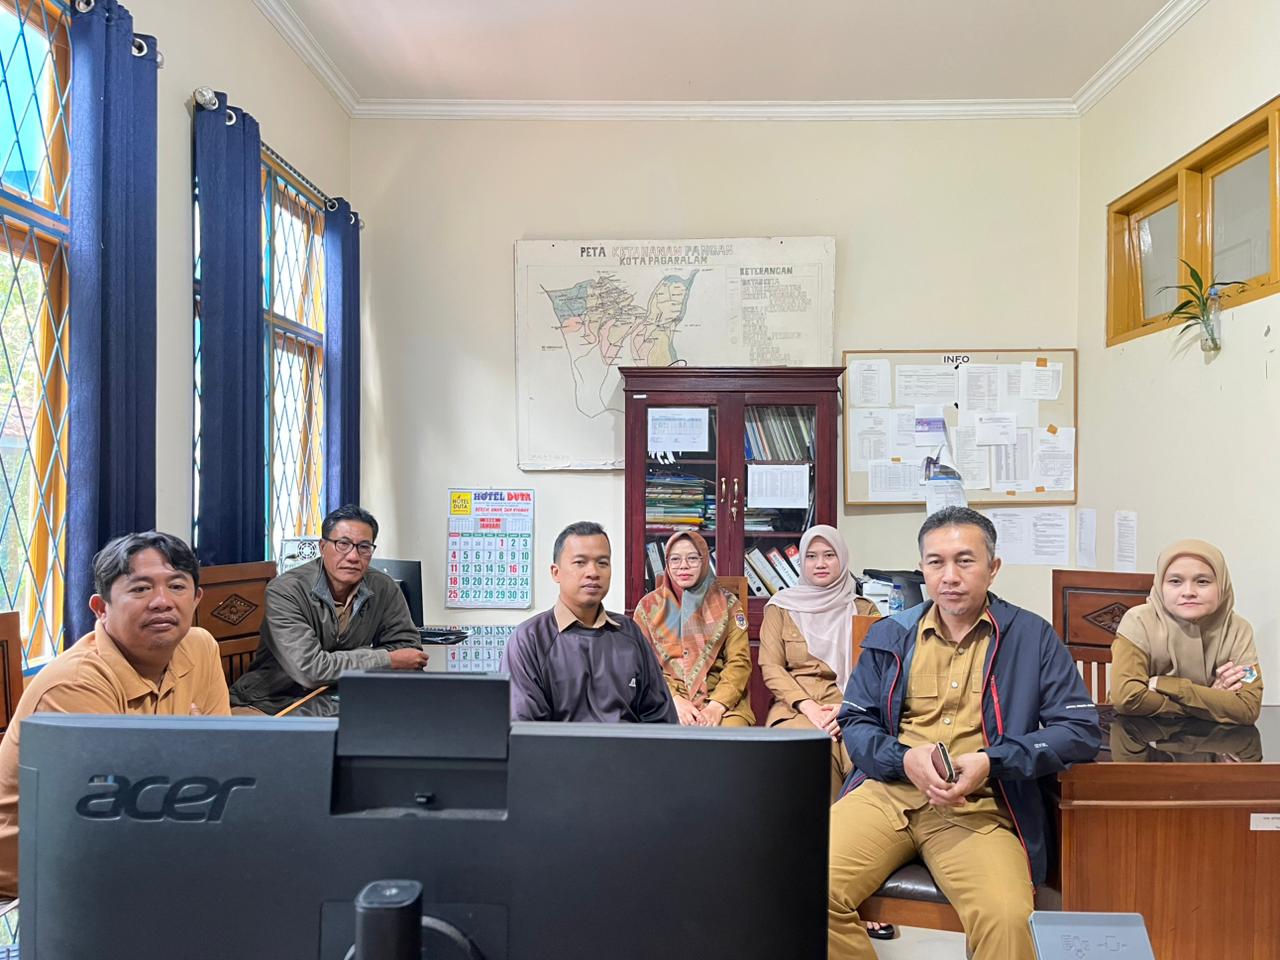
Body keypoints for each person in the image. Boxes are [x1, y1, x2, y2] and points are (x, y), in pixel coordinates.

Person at [827, 507, 1101, 960]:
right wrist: (903, 759)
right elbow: (857, 722)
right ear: (921, 569)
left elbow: (1079, 730)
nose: (949, 576)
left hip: (981, 806)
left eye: (965, 560)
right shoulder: (891, 634)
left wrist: (992, 761)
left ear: (993, 568)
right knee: (796, 882)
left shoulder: (1031, 636)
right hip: (887, 794)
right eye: (936, 562)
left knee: (1008, 920)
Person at [0, 531, 231, 898]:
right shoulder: (75, 685)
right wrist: (188, 759)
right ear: (100, 607)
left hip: (135, 853)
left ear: (196, 598)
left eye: (177, 586)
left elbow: (223, 769)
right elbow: (118, 818)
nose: (162, 602)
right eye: (140, 589)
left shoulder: (200, 647)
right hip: (32, 886)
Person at [229, 504, 429, 715]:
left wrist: (340, 662)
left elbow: (408, 650)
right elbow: (310, 670)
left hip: (338, 699)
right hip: (271, 702)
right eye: (343, 544)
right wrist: (385, 659)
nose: (353, 556)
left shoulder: (383, 586)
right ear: (322, 547)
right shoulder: (286, 590)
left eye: (364, 547)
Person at [502, 521, 676, 723]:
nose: (593, 572)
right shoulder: (530, 639)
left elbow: (661, 717)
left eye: (602, 563)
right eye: (580, 562)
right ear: (556, 572)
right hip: (558, 745)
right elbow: (524, 727)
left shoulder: (629, 633)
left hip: (627, 743)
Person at [758, 525, 879, 800]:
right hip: (796, 706)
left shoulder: (864, 609)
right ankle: (817, 828)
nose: (820, 563)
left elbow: (875, 672)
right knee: (813, 752)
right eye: (811, 556)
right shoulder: (781, 607)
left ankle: (848, 827)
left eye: (829, 555)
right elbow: (772, 668)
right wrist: (809, 707)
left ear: (842, 558)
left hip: (850, 705)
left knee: (861, 755)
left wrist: (847, 708)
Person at [1111, 539, 1263, 725]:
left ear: (1222, 585)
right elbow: (1127, 698)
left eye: (1202, 581)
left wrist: (1165, 685)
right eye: (1175, 581)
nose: (1189, 592)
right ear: (1160, 585)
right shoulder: (1138, 621)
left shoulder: (1238, 629)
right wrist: (1211, 700)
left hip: (1215, 740)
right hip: (1142, 736)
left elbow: (1248, 708)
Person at [633, 531, 754, 727]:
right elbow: (642, 665)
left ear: (704, 560)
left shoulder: (729, 604)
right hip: (666, 697)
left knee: (731, 738)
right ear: (667, 563)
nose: (683, 566)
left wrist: (716, 706)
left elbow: (739, 662)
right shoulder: (647, 607)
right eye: (675, 559)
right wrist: (674, 700)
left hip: (720, 700)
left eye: (692, 558)